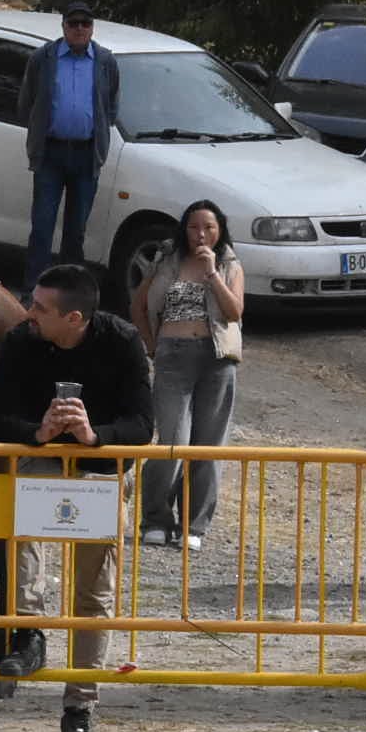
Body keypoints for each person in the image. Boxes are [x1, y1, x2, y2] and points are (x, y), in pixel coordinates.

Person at [0, 263, 153, 732]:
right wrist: (38, 432)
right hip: (40, 459)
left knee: (93, 595)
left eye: (40, 307)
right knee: (23, 518)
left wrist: (94, 435)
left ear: (74, 317)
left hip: (101, 472)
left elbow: (143, 424)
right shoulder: (21, 340)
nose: (29, 312)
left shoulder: (121, 341)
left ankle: (80, 708)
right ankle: (29, 631)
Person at [137, 202, 244, 547]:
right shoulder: (167, 260)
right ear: (184, 230)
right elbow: (139, 304)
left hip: (216, 359)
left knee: (208, 446)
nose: (201, 235)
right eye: (194, 227)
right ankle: (155, 518)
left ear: (220, 231)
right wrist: (153, 345)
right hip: (173, 355)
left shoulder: (228, 263)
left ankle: (194, 526)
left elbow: (233, 312)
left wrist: (212, 274)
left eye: (209, 228)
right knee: (172, 442)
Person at [18, 2, 121, 286]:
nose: (79, 29)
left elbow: (110, 106)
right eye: (73, 23)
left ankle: (69, 294)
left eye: (85, 24)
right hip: (51, 153)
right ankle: (33, 291)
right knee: (42, 227)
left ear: (92, 28)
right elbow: (27, 102)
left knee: (75, 232)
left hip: (86, 155)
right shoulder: (43, 58)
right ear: (63, 26)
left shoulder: (105, 61)